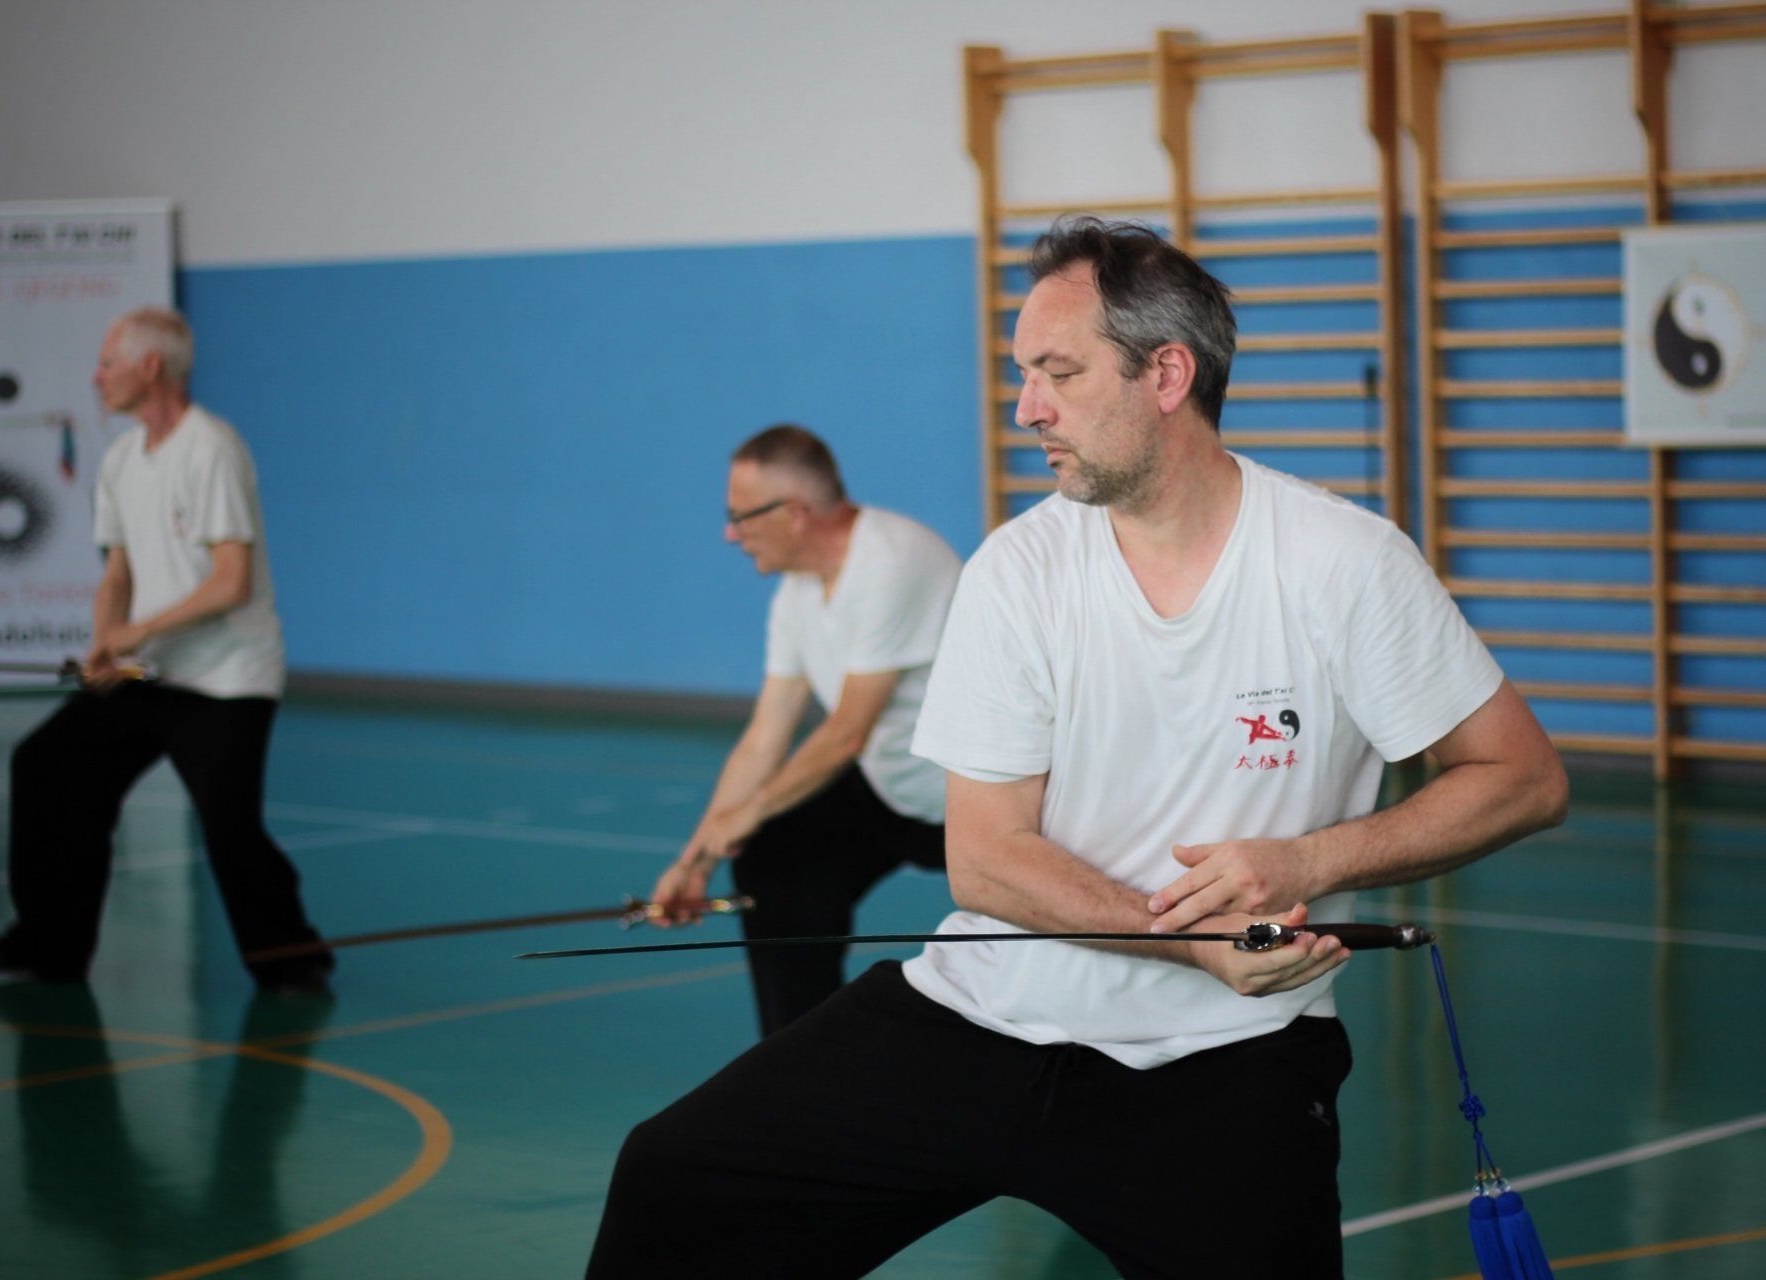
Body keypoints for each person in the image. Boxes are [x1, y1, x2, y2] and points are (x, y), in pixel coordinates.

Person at [585, 219, 1567, 1278]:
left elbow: (1522, 776)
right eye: (1024, 374)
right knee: (675, 1177)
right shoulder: (1018, 570)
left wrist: (1309, 861)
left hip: (1224, 1057)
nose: (1027, 408)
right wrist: (1186, 938)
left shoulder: (1342, 562)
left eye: (1057, 372)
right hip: (983, 1015)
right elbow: (987, 856)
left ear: (1167, 375)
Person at [0, 307, 332, 994]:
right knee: (47, 766)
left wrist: (139, 632)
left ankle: (292, 958)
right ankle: (49, 944)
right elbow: (117, 574)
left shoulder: (211, 447)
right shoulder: (124, 456)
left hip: (226, 679)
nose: (97, 377)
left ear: (150, 367)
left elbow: (231, 581)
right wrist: (106, 643)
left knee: (230, 830)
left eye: (107, 363)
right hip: (151, 672)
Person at [648, 424, 962, 1037]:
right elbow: (765, 734)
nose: (729, 533)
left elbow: (846, 731)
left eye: (739, 517)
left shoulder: (891, 561)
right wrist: (696, 859)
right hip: (893, 791)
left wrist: (752, 809)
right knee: (775, 856)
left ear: (793, 513)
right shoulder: (796, 593)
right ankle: (798, 1054)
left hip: (985, 802)